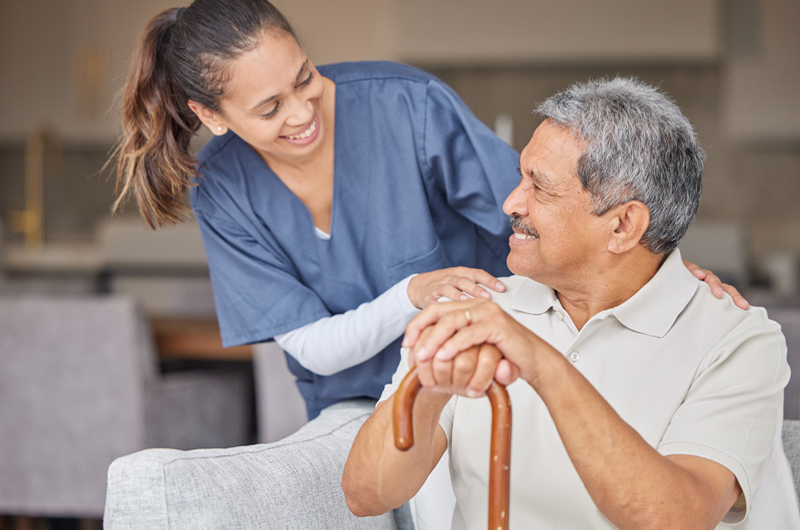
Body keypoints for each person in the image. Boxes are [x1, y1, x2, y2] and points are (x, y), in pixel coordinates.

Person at [114, 0, 745, 423]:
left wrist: (667, 279)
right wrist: (412, 292)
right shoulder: (224, 190)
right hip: (355, 405)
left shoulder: (407, 108)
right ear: (212, 118)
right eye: (270, 108)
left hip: (481, 379)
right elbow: (313, 350)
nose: (304, 113)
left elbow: (551, 224)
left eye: (304, 78)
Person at [343, 78, 799, 529]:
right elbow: (365, 494)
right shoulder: (476, 309)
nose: (510, 202)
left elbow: (675, 518)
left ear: (623, 226)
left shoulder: (737, 341)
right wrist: (429, 386)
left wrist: (542, 363)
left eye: (539, 187)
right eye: (520, 177)